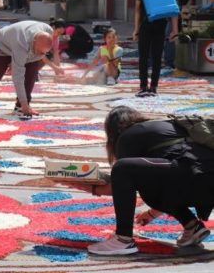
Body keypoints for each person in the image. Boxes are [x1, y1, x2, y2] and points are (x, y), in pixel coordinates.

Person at [67, 106, 213, 255]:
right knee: (148, 183)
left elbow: (119, 183)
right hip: (204, 182)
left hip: (193, 175)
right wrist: (151, 214)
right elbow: (171, 178)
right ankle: (193, 226)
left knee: (122, 168)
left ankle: (123, 239)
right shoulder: (163, 125)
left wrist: (90, 188)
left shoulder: (128, 136)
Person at [133, 0, 178, 97]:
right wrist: (136, 29)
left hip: (156, 27)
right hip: (147, 26)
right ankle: (144, 86)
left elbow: (172, 10)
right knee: (146, 57)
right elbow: (137, 10)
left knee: (155, 57)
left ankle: (152, 86)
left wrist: (175, 30)